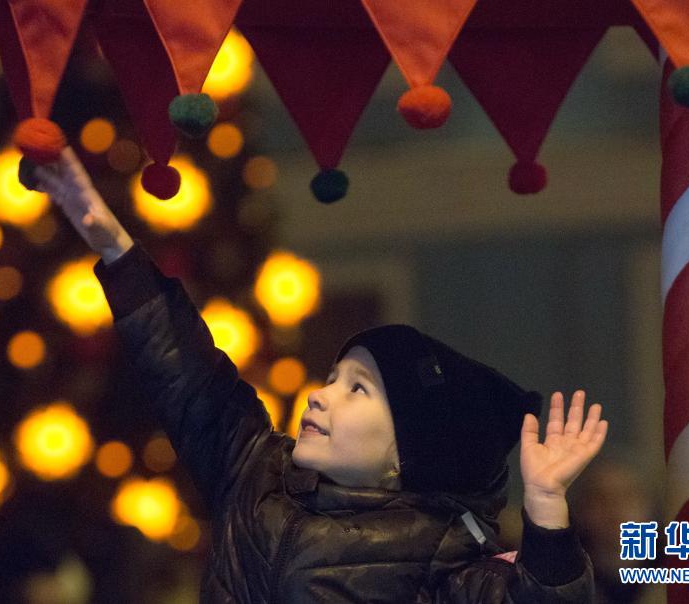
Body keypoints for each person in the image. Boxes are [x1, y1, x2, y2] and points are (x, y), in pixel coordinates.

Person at [35, 148, 608, 603]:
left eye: (357, 388)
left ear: (405, 456)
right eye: (333, 378)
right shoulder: (254, 474)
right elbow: (188, 375)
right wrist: (117, 251)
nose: (320, 395)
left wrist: (545, 507)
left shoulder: (445, 555)